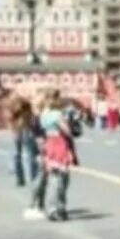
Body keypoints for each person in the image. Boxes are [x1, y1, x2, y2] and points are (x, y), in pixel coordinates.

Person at [27, 91, 74, 222]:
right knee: (61, 179)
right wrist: (69, 125)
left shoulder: (43, 115)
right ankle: (58, 208)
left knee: (53, 177)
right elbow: (67, 131)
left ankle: (52, 207)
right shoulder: (56, 115)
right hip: (59, 144)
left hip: (49, 143)